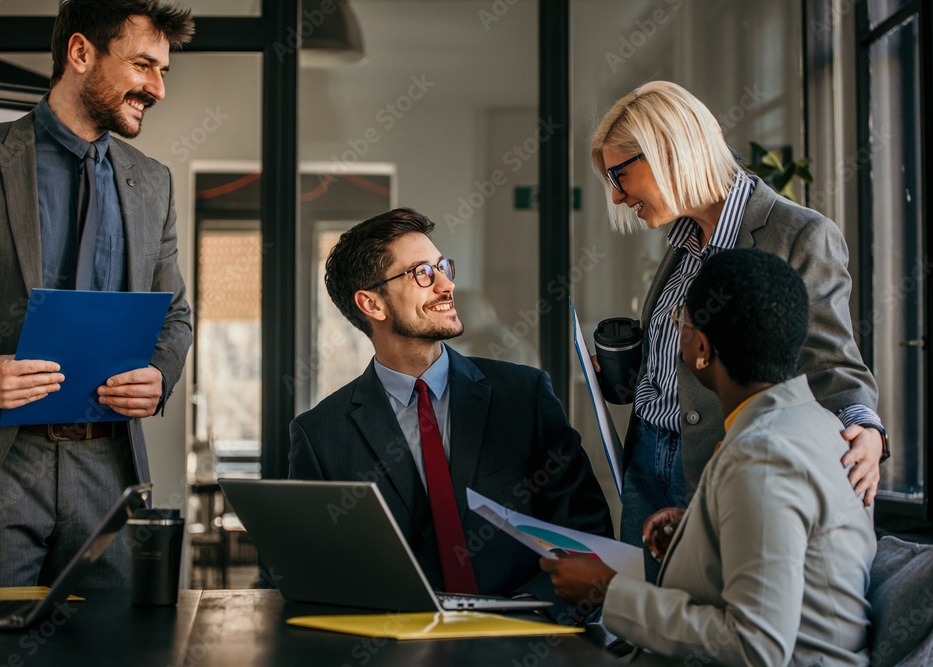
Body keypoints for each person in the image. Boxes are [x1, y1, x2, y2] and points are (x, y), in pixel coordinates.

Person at [0, 0, 194, 589]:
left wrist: (160, 375)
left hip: (110, 470)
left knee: (115, 639)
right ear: (80, 53)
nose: (157, 88)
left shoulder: (153, 182)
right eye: (142, 65)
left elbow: (175, 314)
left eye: (162, 71)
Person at [591, 81, 884, 581]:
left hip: (717, 467)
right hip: (645, 463)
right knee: (639, 616)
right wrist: (636, 372)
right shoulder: (683, 239)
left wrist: (868, 430)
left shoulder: (798, 235)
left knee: (699, 617)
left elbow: (831, 363)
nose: (617, 196)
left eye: (620, 175)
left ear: (668, 151)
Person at [543, 248, 876, 666]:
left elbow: (754, 647)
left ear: (701, 347)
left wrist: (609, 591)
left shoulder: (761, 460)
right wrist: (705, 532)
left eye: (679, 321)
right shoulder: (820, 425)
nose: (677, 332)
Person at [289, 208, 612, 603]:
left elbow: (585, 532)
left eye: (443, 267)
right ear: (372, 304)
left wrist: (531, 614)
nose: (447, 284)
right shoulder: (321, 435)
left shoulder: (524, 396)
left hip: (529, 631)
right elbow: (310, 567)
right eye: (422, 273)